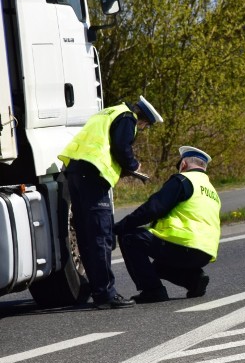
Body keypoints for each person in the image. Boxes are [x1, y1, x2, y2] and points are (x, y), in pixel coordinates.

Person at [58, 97, 163, 309]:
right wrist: (133, 164)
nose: (141, 129)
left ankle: (98, 290)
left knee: (86, 236)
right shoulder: (127, 118)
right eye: (144, 126)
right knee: (101, 235)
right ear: (143, 120)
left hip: (76, 174)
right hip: (94, 178)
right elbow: (121, 146)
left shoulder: (108, 112)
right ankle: (106, 294)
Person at [114, 146, 221, 303]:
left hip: (182, 244)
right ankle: (193, 280)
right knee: (157, 267)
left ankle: (152, 290)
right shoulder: (212, 191)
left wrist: (119, 227)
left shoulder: (183, 180)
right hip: (204, 253)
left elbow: (153, 208)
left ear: (183, 164)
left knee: (130, 237)